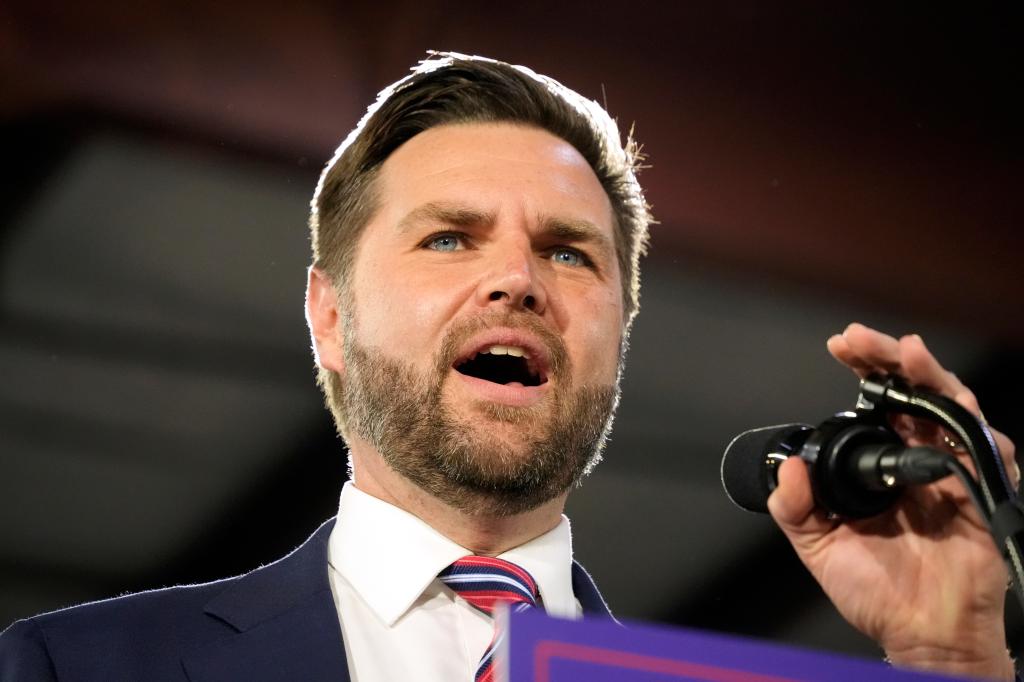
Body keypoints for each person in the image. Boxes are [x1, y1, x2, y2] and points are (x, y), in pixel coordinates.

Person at [0, 52, 1017, 682]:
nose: (517, 282)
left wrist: (948, 659)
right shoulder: (69, 668)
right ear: (327, 314)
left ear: (619, 329)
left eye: (570, 252)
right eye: (449, 237)